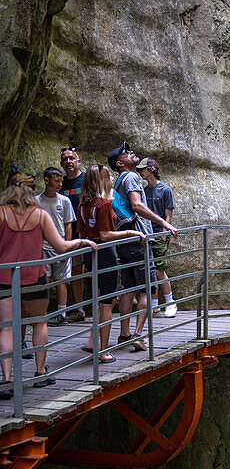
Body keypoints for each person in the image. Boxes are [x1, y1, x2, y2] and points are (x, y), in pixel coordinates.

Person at [0, 173, 97, 396]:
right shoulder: (40, 216)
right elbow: (61, 246)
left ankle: (6, 380)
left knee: (6, 327)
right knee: (39, 323)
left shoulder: (1, 214)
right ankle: (40, 372)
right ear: (32, 190)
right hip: (34, 276)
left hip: (5, 278)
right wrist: (82, 240)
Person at [107, 142, 177, 352]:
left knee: (128, 289)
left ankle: (124, 334)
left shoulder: (119, 180)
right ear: (120, 163)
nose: (131, 153)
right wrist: (163, 222)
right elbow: (137, 205)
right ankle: (138, 334)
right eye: (126, 153)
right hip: (138, 238)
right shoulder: (131, 177)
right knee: (147, 287)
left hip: (125, 240)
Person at [77, 167, 143, 362]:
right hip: (104, 254)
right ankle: (103, 351)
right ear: (102, 181)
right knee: (106, 304)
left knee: (101, 302)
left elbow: (83, 234)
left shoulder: (83, 205)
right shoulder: (104, 204)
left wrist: (84, 263)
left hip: (90, 253)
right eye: (109, 176)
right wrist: (131, 233)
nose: (113, 178)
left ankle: (92, 342)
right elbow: (106, 235)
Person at [35, 166, 75, 325]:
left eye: (61, 181)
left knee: (61, 280)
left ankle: (62, 313)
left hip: (60, 246)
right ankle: (42, 314)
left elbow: (68, 225)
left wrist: (67, 247)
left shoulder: (64, 201)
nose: (59, 184)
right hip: (43, 247)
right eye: (56, 181)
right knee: (44, 280)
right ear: (46, 181)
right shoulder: (37, 201)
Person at [138, 158, 177, 317]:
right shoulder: (144, 191)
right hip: (147, 234)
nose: (140, 172)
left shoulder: (165, 190)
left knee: (159, 269)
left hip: (159, 235)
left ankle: (170, 303)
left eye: (143, 169)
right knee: (150, 271)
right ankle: (154, 305)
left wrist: (163, 235)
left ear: (152, 169)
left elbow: (168, 216)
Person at [60, 147, 87, 321]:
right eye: (65, 159)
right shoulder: (60, 183)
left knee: (91, 270)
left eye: (72, 158)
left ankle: (101, 306)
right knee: (75, 271)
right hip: (68, 234)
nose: (68, 161)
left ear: (78, 161)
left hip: (87, 232)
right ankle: (79, 309)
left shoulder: (86, 179)